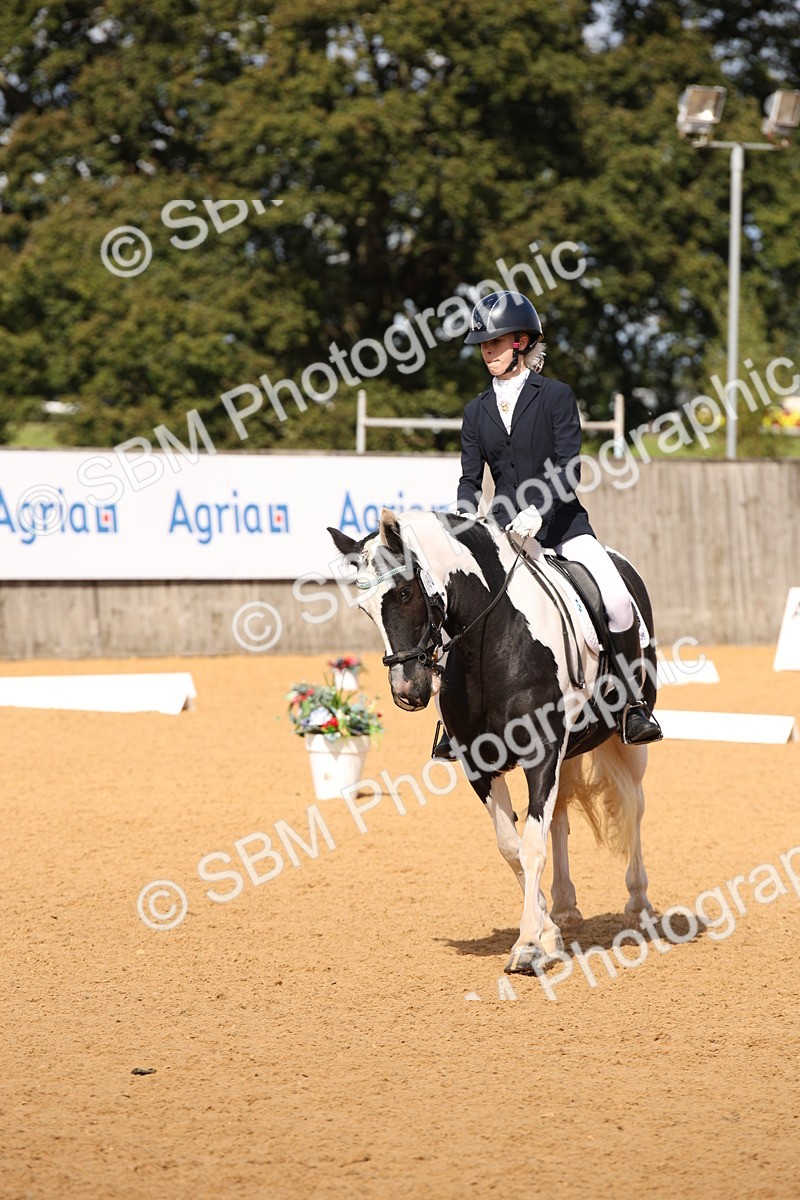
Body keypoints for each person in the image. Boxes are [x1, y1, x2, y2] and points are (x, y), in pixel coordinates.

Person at [432, 289, 662, 758]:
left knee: (618, 602)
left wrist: (539, 509)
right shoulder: (476, 410)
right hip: (502, 533)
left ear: (520, 341)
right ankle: (451, 722)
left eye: (493, 342)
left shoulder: (555, 395)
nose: (486, 352)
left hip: (562, 525)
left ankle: (631, 705)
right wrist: (463, 510)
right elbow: (470, 477)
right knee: (459, 606)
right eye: (482, 345)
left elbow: (568, 467)